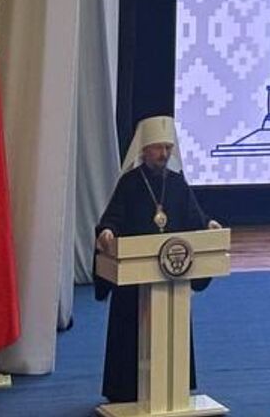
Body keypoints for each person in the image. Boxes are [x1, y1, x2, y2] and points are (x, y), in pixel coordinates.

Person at [94, 116, 224, 404]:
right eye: (158, 149)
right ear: (144, 150)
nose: (164, 154)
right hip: (134, 280)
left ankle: (173, 388)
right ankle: (125, 392)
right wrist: (107, 231)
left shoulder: (176, 183)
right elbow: (112, 217)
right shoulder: (130, 183)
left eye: (168, 148)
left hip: (170, 278)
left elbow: (195, 217)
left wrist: (208, 224)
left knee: (171, 329)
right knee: (131, 333)